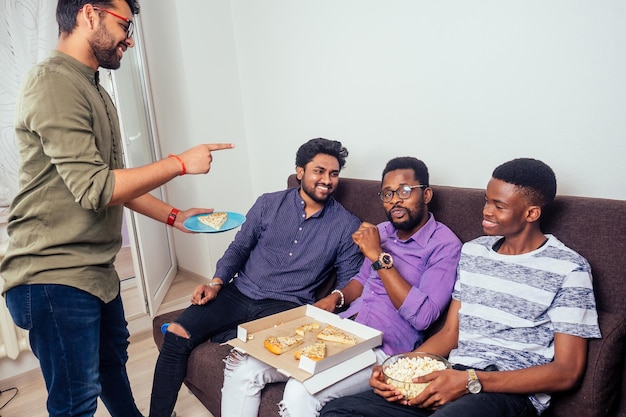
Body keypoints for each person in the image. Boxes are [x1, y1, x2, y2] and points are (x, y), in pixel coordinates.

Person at [0, 1, 235, 417]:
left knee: (112, 367)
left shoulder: (96, 90)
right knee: (75, 402)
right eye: (124, 24)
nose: (130, 37)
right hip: (53, 273)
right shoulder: (53, 82)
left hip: (93, 271)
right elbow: (95, 188)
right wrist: (179, 163)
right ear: (90, 15)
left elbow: (116, 181)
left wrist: (175, 217)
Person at [319, 158, 602, 417]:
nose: (486, 212)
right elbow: (450, 333)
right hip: (449, 376)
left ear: (531, 213)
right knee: (339, 411)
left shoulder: (569, 268)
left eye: (498, 206)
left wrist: (471, 382)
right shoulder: (474, 252)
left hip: (506, 394)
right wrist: (396, 367)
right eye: (486, 201)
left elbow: (568, 371)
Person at [220, 156, 463, 417]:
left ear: (426, 194)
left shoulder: (445, 246)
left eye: (405, 191)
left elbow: (423, 317)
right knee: (243, 367)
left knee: (300, 391)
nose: (395, 200)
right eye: (388, 193)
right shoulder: (382, 231)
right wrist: (335, 298)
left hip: (383, 349)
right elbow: (359, 281)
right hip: (342, 331)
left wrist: (377, 256)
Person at [148, 137, 364, 417]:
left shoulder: (347, 225)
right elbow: (239, 248)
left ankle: (231, 334)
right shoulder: (268, 204)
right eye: (319, 171)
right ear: (300, 171)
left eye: (333, 174)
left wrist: (335, 299)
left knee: (248, 355)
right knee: (177, 332)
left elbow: (350, 280)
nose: (327, 180)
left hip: (287, 308)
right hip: (239, 293)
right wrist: (216, 283)